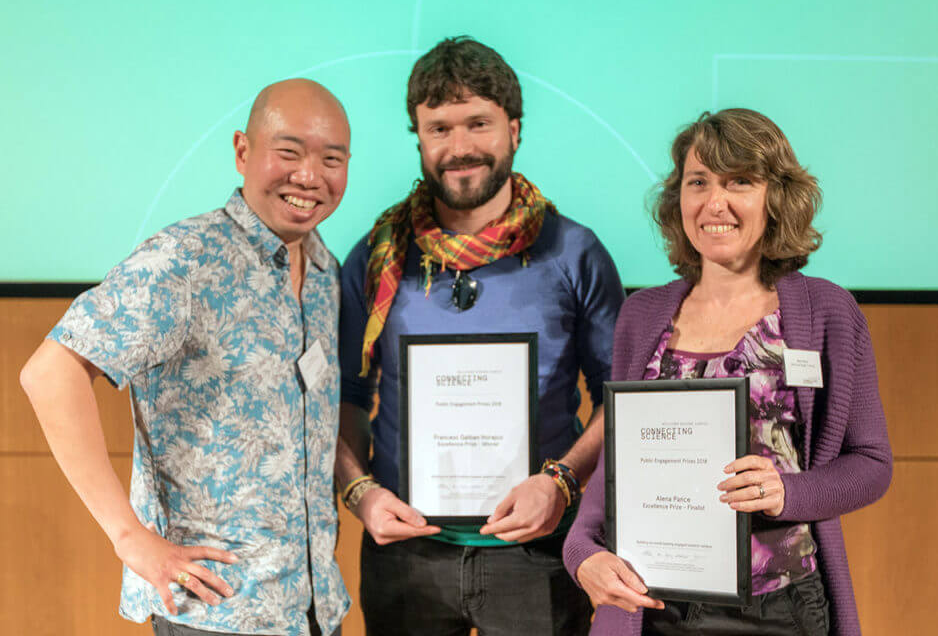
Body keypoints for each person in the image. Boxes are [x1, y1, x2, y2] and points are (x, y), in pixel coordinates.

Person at [19, 79, 351, 636]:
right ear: (243, 151)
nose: (309, 176)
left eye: (331, 159)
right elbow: (49, 373)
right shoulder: (185, 259)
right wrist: (129, 537)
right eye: (289, 152)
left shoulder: (324, 270)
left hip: (313, 607)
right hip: (215, 613)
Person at [562, 108, 893, 636]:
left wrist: (792, 492)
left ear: (776, 196)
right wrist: (581, 552)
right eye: (699, 182)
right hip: (649, 607)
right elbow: (615, 469)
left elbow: (872, 463)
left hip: (778, 610)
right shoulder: (642, 314)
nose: (715, 203)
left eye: (739, 181)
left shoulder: (826, 312)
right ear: (680, 200)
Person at [336, 37, 624, 635]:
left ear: (514, 130)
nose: (460, 147)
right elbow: (345, 397)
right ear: (417, 135)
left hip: (537, 554)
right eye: (440, 128)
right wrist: (360, 492)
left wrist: (563, 483)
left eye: (479, 124)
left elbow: (619, 400)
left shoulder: (574, 254)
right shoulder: (377, 256)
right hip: (406, 555)